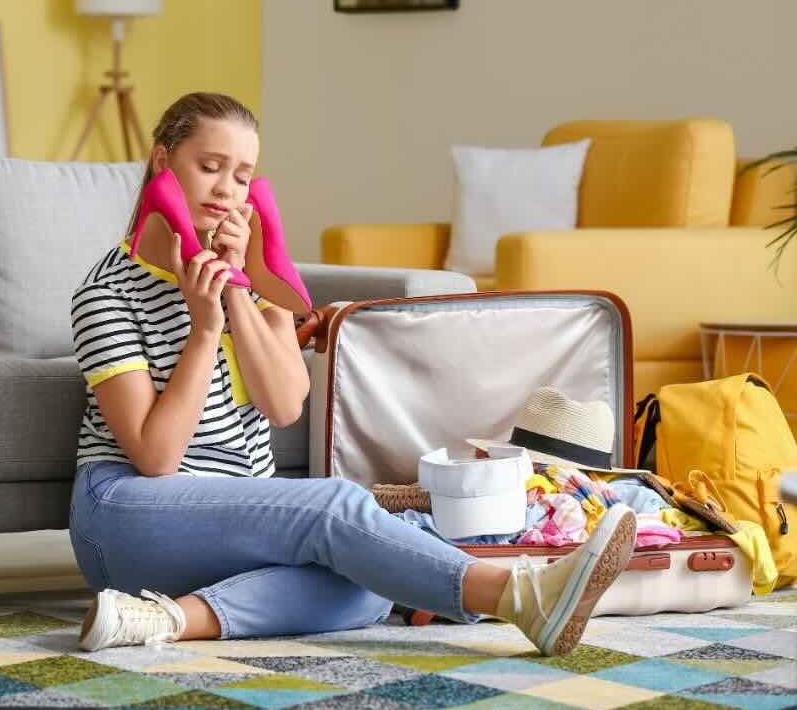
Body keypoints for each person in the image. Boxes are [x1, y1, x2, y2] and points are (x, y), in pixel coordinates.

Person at [68, 91, 636, 657]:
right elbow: (156, 457)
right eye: (210, 168)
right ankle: (518, 596)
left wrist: (237, 288)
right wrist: (203, 331)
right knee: (340, 510)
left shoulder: (255, 278)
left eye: (242, 177)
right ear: (164, 163)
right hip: (126, 516)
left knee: (371, 583)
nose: (226, 191)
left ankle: (159, 619)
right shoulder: (106, 293)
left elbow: (285, 404)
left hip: (230, 517)